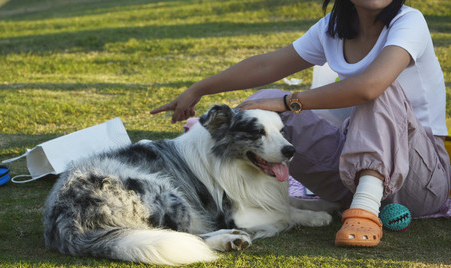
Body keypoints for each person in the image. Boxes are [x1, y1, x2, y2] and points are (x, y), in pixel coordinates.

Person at [150, 0, 450, 247]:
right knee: (264, 102)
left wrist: (291, 101)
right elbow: (267, 66)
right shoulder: (334, 27)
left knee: (382, 90)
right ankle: (219, 190)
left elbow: (369, 87)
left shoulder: (409, 21)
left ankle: (366, 209)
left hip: (419, 180)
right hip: (348, 175)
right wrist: (199, 89)